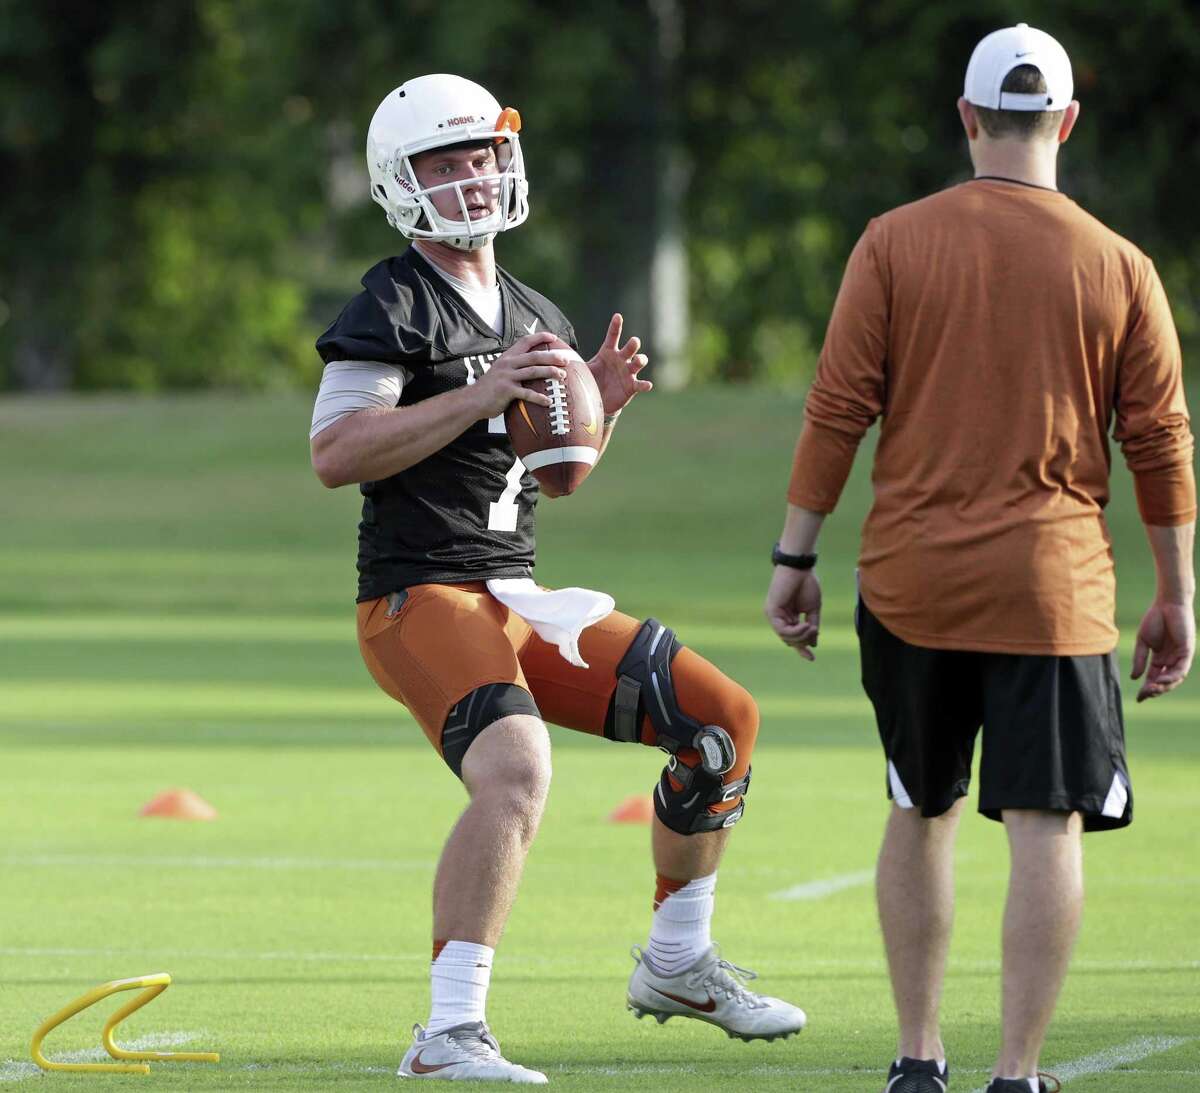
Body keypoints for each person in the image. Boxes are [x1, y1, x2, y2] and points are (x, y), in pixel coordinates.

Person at [310, 73, 805, 1083]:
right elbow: (336, 448)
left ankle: (677, 963)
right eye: (446, 162)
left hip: (516, 593)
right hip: (421, 595)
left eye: (483, 154)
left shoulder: (533, 306)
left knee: (720, 721)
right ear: (401, 183)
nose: (475, 177)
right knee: (517, 769)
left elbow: (555, 481)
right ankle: (448, 1033)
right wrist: (482, 392)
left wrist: (599, 410)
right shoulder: (394, 298)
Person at [764, 23, 1195, 1093]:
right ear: (1067, 120)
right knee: (1045, 820)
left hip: (910, 581)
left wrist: (794, 555)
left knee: (920, 803)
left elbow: (836, 410)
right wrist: (1178, 594)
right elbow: (1161, 442)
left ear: (966, 118)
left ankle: (918, 1058)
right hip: (1054, 590)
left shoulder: (893, 241)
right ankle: (1019, 1072)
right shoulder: (1121, 266)